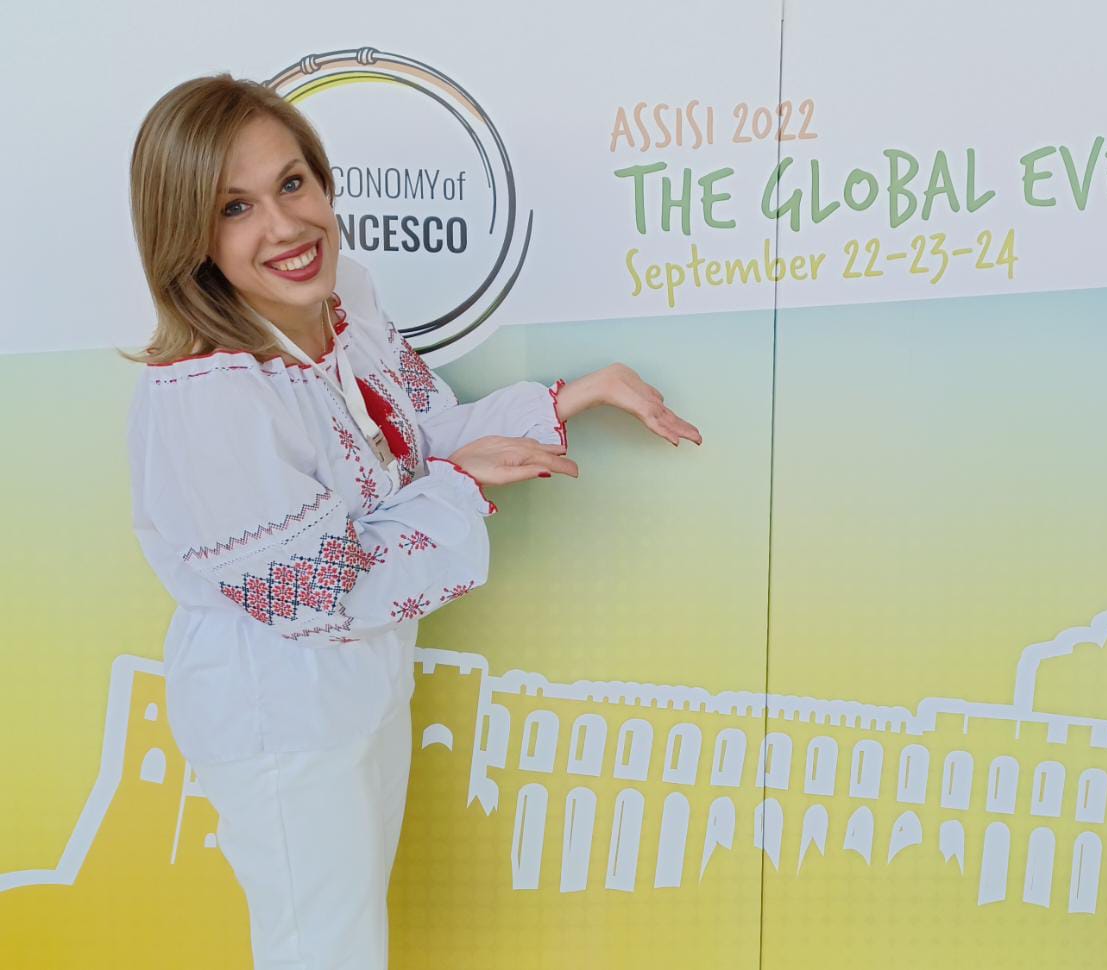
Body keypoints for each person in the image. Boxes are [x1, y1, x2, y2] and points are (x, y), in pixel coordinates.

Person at [125, 74, 701, 969]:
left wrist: (571, 397)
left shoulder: (336, 310)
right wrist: (459, 487)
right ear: (187, 235)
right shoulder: (211, 392)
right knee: (321, 950)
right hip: (280, 711)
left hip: (359, 686)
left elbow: (416, 435)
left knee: (348, 941)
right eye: (235, 207)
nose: (285, 225)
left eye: (292, 183)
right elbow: (318, 593)